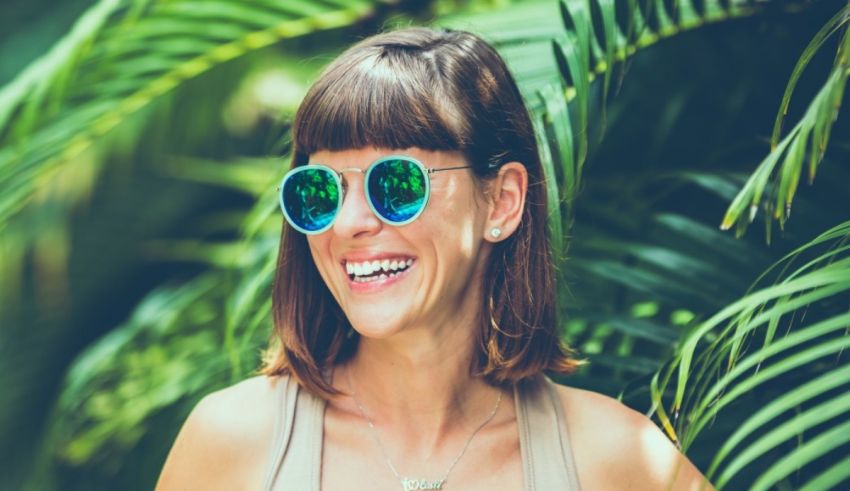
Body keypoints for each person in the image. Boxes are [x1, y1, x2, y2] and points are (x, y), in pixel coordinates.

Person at [156, 27, 714, 491]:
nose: (349, 224)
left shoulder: (616, 458)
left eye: (396, 183)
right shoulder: (232, 443)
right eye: (319, 191)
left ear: (501, 200)